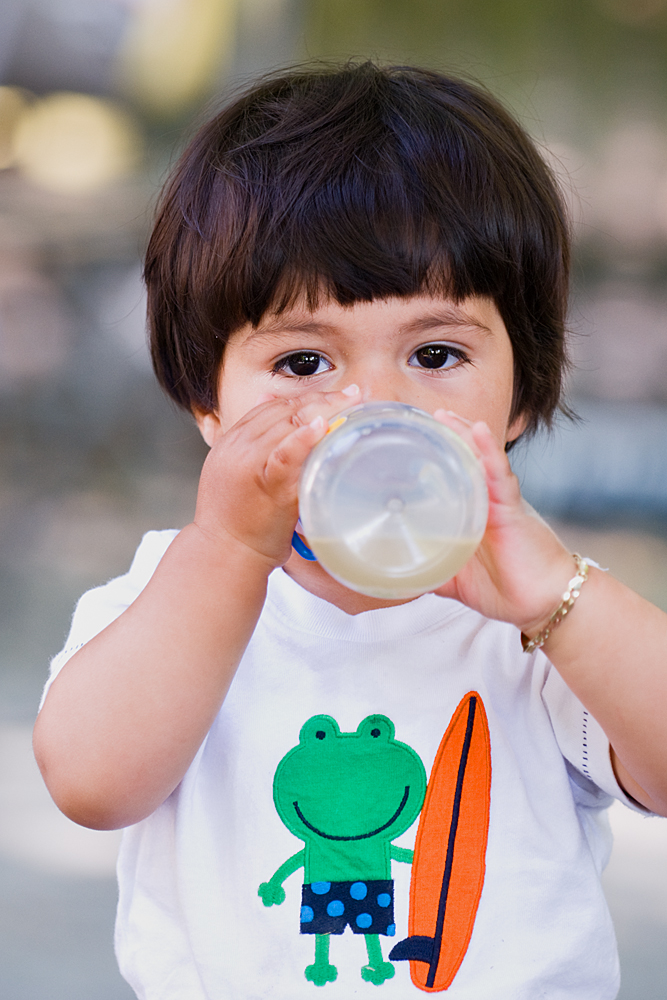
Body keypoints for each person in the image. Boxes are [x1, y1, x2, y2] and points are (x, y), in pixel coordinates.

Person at [33, 63, 667, 999]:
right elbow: (91, 785)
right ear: (207, 404)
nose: (372, 404)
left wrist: (562, 602)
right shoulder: (168, 594)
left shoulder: (543, 620)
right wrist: (227, 554)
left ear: (523, 391)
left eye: (436, 353)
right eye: (301, 361)